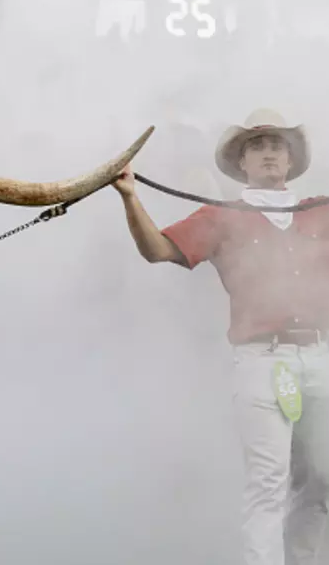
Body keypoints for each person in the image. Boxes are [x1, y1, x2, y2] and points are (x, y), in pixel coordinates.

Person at [113, 107, 329, 565]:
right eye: (258, 145)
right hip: (260, 361)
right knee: (268, 481)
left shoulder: (321, 211)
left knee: (322, 483)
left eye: (277, 146)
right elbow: (157, 250)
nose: (270, 154)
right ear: (242, 162)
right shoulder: (220, 217)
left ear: (289, 161)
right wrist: (130, 197)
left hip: (320, 354)